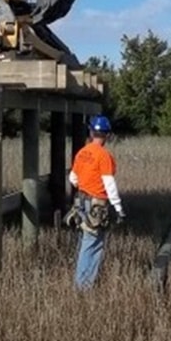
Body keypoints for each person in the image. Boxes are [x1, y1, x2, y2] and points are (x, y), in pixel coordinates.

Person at [65, 114, 125, 290]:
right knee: (93, 244)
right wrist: (118, 207)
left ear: (91, 132)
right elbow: (109, 183)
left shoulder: (82, 153)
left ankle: (82, 282)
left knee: (85, 240)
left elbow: (73, 178)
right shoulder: (104, 156)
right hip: (97, 205)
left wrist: (85, 184)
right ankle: (83, 287)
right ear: (107, 135)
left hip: (81, 201)